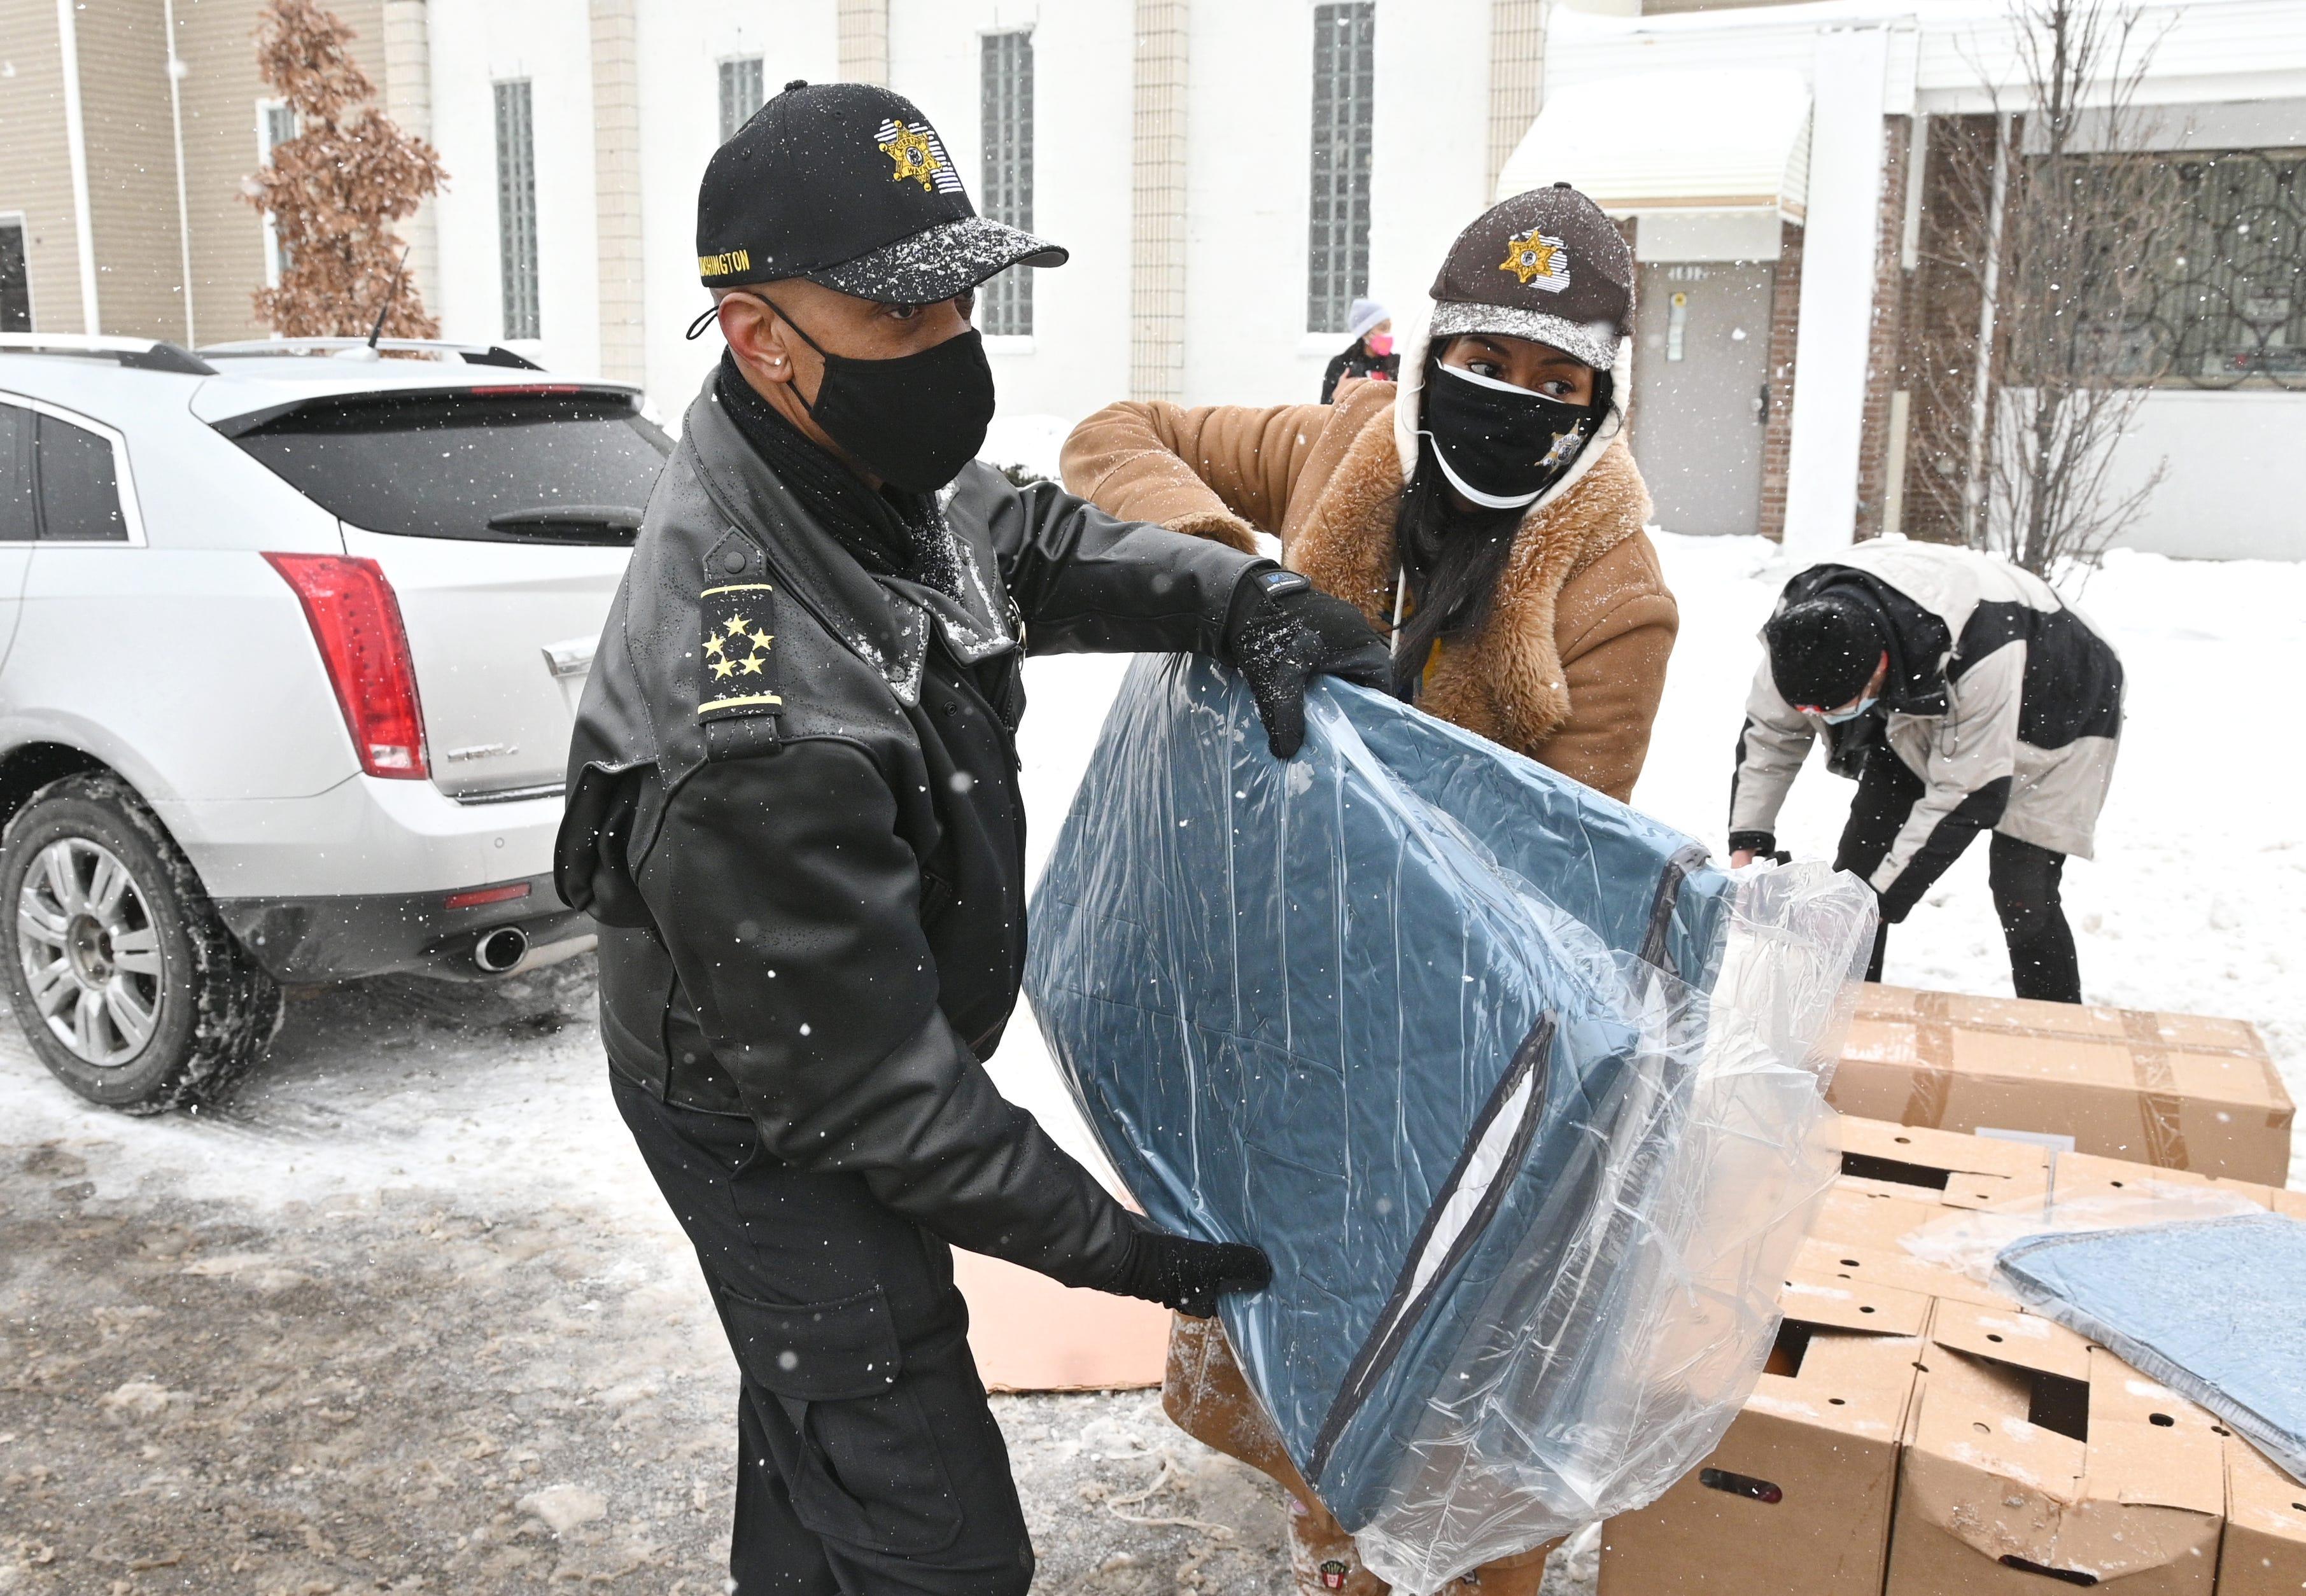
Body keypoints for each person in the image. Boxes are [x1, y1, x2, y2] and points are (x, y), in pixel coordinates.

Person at [554, 81, 1389, 1596]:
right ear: (760, 339)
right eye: (903, 320)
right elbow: (882, 1106)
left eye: (960, 305)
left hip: (837, 1042)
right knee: (937, 1532)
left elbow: (1030, 542)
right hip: (762, 1110)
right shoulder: (753, 717)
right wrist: (1130, 1255)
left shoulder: (852, 470)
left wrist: (1239, 598)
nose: (951, 356)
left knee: (822, 1407)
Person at [1062, 183, 1673, 1594]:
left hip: (1441, 1023)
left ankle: (1400, 1545)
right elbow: (1114, 435)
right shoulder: (1347, 443)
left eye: (1552, 379)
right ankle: (1329, 1524)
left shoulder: (1613, 593)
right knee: (1292, 1313)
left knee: (1434, 1342)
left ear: (1597, 399)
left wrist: (1368, 809)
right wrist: (1233, 589)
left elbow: (1544, 888)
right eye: (1480, 359)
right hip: (1275, 970)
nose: (1508, 400)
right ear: (1430, 352)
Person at [1728, 538, 2124, 1003]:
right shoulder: (1800, 636)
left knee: (2022, 886)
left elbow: (1967, 792)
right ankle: (1839, 1022)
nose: (1818, 715)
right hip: (1926, 688)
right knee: (1857, 873)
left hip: (2061, 706)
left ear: (1876, 671)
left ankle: (2057, 1034)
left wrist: (1878, 904)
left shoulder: (1982, 646)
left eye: (1832, 709)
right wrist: (1747, 843)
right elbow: (1770, 738)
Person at [1319, 297, 1398, 402]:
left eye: (1389, 328)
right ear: (1365, 333)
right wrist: (1336, 396)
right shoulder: (1341, 365)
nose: (1388, 334)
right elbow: (1323, 412)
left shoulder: (1398, 364)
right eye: (1383, 328)